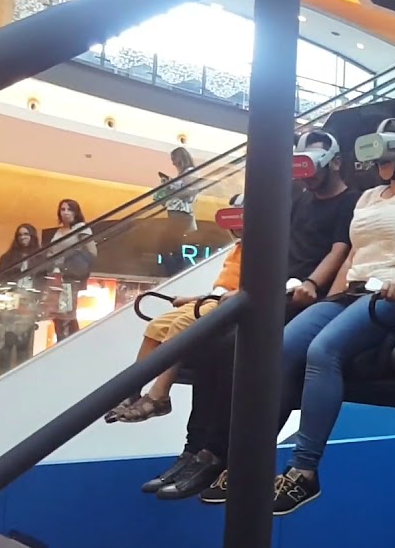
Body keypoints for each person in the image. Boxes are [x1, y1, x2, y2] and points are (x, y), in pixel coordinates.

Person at [141, 131, 360, 500]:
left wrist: (312, 284)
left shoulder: (350, 201)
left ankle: (215, 453)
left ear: (335, 162)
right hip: (274, 293)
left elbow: (340, 250)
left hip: (307, 298)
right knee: (208, 339)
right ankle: (193, 450)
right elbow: (274, 248)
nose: (306, 176)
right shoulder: (299, 201)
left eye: (313, 166)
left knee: (235, 348)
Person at [270, 120, 395, 515]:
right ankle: (251, 456)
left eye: (386, 157)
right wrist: (331, 299)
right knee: (285, 346)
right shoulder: (370, 196)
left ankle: (304, 470)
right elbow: (355, 255)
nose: (379, 165)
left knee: (323, 350)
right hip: (357, 291)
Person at [105, 195, 247, 425]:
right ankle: (133, 390)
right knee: (157, 326)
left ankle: (160, 394)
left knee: (181, 325)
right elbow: (221, 288)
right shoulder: (236, 250)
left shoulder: (262, 250)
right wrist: (191, 299)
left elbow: (257, 285)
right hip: (213, 299)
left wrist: (238, 295)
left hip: (228, 305)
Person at [0, 224, 46, 373]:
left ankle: (22, 377)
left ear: (32, 236)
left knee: (23, 345)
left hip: (29, 304)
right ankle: (3, 377)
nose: (23, 237)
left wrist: (39, 301)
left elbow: (43, 281)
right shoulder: (7, 257)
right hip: (10, 303)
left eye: (26, 234)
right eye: (20, 235)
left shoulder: (40, 257)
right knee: (6, 345)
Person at [48, 199, 96, 341]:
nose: (66, 212)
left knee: (67, 312)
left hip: (70, 276)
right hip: (56, 275)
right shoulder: (59, 231)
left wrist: (72, 257)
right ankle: (61, 339)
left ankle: (70, 341)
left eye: (69, 209)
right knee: (56, 312)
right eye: (63, 209)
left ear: (76, 212)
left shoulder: (81, 228)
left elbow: (92, 252)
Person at [158, 147, 200, 277]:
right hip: (177, 213)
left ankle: (176, 273)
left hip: (181, 214)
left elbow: (189, 194)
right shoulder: (184, 174)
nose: (173, 162)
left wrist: (171, 186)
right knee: (174, 245)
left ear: (180, 158)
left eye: (174, 159)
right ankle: (178, 273)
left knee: (164, 245)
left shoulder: (190, 172)